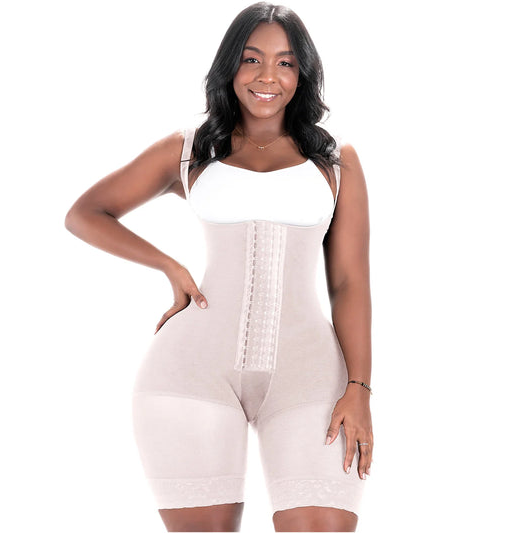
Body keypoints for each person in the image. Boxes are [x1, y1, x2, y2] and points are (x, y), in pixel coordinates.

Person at [64, 2, 373, 531]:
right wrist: (169, 266)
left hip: (312, 377)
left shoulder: (335, 160)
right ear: (230, 66)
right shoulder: (190, 150)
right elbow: (85, 214)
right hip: (191, 373)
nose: (267, 76)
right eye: (252, 59)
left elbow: (349, 282)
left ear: (303, 73)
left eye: (285, 62)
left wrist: (360, 388)